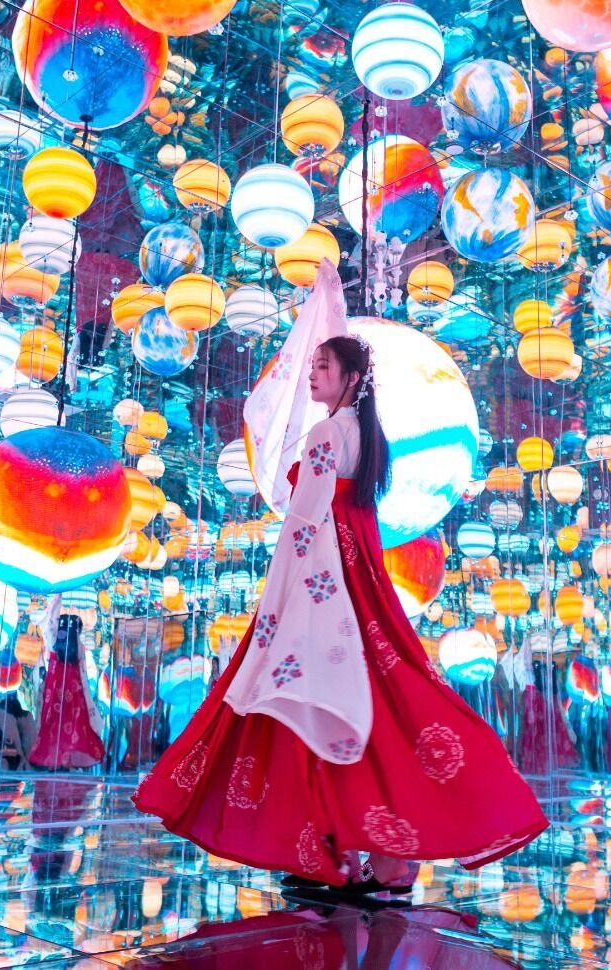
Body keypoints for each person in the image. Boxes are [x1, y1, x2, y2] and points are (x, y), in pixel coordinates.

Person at [135, 330, 547, 901]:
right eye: (314, 365)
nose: (313, 375)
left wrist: (279, 602)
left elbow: (304, 519)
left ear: (352, 378)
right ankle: (373, 859)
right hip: (357, 575)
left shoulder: (328, 431)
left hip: (322, 578)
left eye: (323, 366)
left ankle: (335, 853)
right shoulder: (365, 434)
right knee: (366, 700)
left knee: (314, 704)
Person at [27, 601, 105, 770]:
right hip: (74, 697)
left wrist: (57, 597)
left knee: (54, 727)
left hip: (55, 694)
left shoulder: (55, 644)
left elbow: (50, 624)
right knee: (73, 728)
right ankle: (66, 761)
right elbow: (83, 676)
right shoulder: (78, 648)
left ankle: (59, 761)